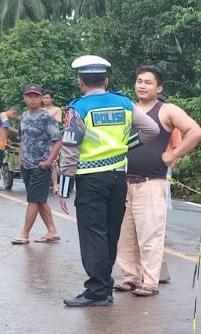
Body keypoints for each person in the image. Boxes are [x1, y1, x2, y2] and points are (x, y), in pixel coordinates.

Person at [57, 55, 158, 307]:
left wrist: (63, 187)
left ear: (81, 82)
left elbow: (70, 148)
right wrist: (126, 146)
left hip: (90, 180)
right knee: (110, 233)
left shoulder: (77, 109)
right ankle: (103, 287)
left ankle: (98, 290)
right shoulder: (123, 103)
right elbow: (152, 130)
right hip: (117, 178)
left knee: (93, 235)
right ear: (106, 79)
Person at [114, 66, 201, 296]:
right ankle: (130, 277)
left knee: (150, 234)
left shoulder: (167, 110)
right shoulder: (127, 109)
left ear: (159, 87)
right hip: (124, 182)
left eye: (148, 82)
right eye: (139, 81)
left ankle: (150, 281)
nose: (142, 85)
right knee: (125, 234)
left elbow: (196, 131)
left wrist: (174, 154)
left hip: (151, 182)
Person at [12, 83, 62, 245]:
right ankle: (52, 230)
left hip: (41, 165)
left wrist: (49, 161)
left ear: (41, 98)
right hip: (26, 164)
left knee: (33, 199)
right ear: (24, 98)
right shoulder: (24, 116)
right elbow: (22, 139)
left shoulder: (47, 117)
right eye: (30, 96)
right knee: (39, 200)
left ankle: (24, 233)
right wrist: (20, 157)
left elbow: (57, 141)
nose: (33, 100)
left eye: (36, 96)